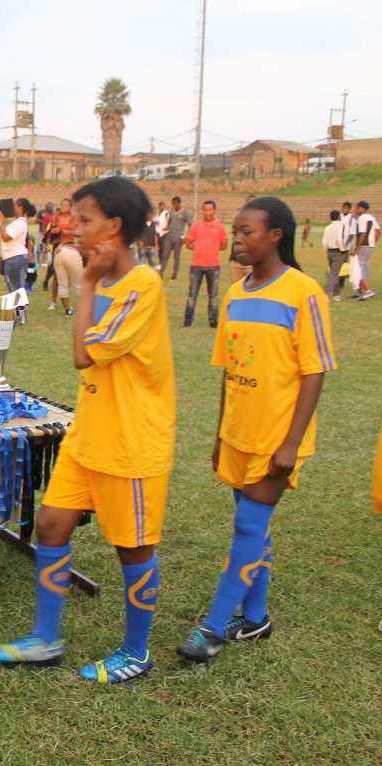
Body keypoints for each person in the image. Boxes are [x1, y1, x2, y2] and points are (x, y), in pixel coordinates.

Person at [0, 177, 175, 685]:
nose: (73, 228)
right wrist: (92, 281)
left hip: (132, 441)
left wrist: (87, 283)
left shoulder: (142, 286)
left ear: (115, 226)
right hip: (89, 433)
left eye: (85, 220)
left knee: (133, 548)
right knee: (50, 526)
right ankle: (45, 639)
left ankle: (136, 652)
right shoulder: (105, 280)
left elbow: (83, 354)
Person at [177, 197, 336, 664]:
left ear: (275, 236)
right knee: (255, 527)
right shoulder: (235, 295)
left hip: (277, 437)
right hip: (238, 433)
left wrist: (291, 442)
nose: (238, 240)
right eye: (236, 231)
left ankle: (212, 628)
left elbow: (314, 371)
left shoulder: (304, 292)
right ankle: (256, 617)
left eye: (247, 232)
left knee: (248, 524)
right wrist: (219, 435)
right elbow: (229, 371)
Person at [182, 200, 228, 328]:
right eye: (205, 209)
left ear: (214, 210)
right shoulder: (196, 226)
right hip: (196, 265)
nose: (207, 212)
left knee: (213, 295)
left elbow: (224, 245)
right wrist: (198, 248)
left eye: (210, 209)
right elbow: (188, 243)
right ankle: (187, 321)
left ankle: (213, 322)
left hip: (213, 266)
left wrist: (212, 249)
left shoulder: (220, 227)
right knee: (192, 295)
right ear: (203, 210)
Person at [0, 199, 35, 322]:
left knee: (17, 288)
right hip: (11, 257)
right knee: (13, 288)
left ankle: (21, 316)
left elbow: (5, 237)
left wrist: (1, 222)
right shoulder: (17, 222)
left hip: (16, 257)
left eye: (15, 205)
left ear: (20, 207)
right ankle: (17, 314)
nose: (12, 207)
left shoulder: (20, 223)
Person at [52, 198, 83, 317]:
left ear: (70, 206)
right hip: (60, 249)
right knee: (64, 282)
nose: (63, 207)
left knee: (76, 282)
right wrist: (61, 231)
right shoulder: (56, 217)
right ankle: (68, 309)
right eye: (62, 204)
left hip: (67, 247)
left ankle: (82, 308)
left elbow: (78, 232)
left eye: (66, 205)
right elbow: (50, 232)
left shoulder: (74, 217)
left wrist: (63, 231)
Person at [161, 195, 192, 280]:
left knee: (176, 257)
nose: (174, 205)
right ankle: (161, 273)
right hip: (170, 235)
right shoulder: (172, 211)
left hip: (178, 237)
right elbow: (169, 221)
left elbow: (191, 224)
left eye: (175, 204)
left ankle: (174, 274)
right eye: (173, 204)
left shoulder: (184, 212)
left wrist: (187, 236)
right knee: (165, 255)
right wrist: (167, 227)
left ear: (179, 203)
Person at [351, 200, 377, 301]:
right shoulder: (371, 217)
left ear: (362, 208)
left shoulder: (362, 218)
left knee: (358, 270)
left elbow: (363, 233)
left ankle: (368, 290)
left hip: (363, 246)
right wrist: (373, 242)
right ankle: (360, 292)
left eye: (357, 208)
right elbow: (379, 231)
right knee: (363, 269)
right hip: (369, 246)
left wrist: (357, 248)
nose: (356, 210)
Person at [229, 195, 257, 285]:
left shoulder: (260, 221)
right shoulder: (239, 217)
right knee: (236, 288)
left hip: (252, 263)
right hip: (236, 261)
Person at [321, 210, 347, 301]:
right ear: (339, 217)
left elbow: (324, 241)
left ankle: (336, 294)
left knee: (334, 273)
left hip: (330, 251)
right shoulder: (341, 226)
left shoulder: (327, 227)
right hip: (337, 251)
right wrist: (343, 250)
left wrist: (326, 250)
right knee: (334, 273)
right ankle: (325, 293)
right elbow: (340, 239)